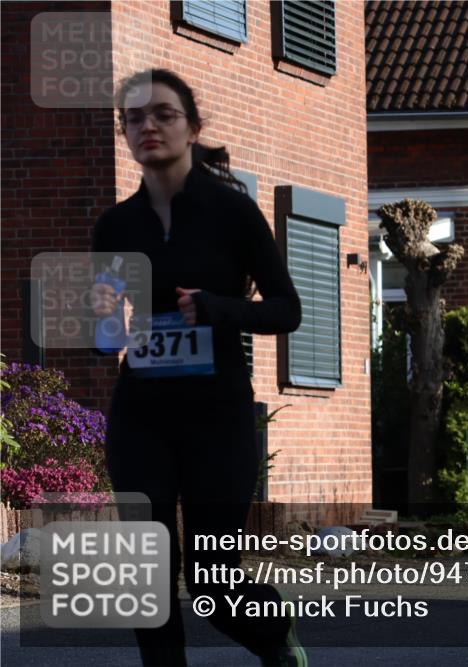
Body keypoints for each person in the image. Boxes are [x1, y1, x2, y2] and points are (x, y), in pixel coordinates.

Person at [91, 68, 305, 666]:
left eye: (163, 113)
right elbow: (104, 337)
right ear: (124, 133)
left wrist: (215, 308)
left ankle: (274, 638)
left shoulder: (232, 213)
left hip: (218, 417)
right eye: (135, 118)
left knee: (212, 583)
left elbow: (287, 311)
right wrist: (103, 321)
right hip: (141, 418)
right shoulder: (116, 226)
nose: (148, 126)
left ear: (192, 127)